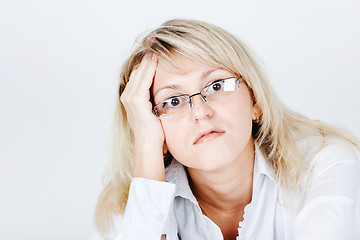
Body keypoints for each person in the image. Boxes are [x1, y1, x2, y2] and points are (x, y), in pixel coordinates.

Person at [92, 19, 360, 240]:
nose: (200, 112)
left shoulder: (324, 163)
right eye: (173, 101)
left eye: (217, 86)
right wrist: (148, 145)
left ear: (255, 100)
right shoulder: (132, 207)